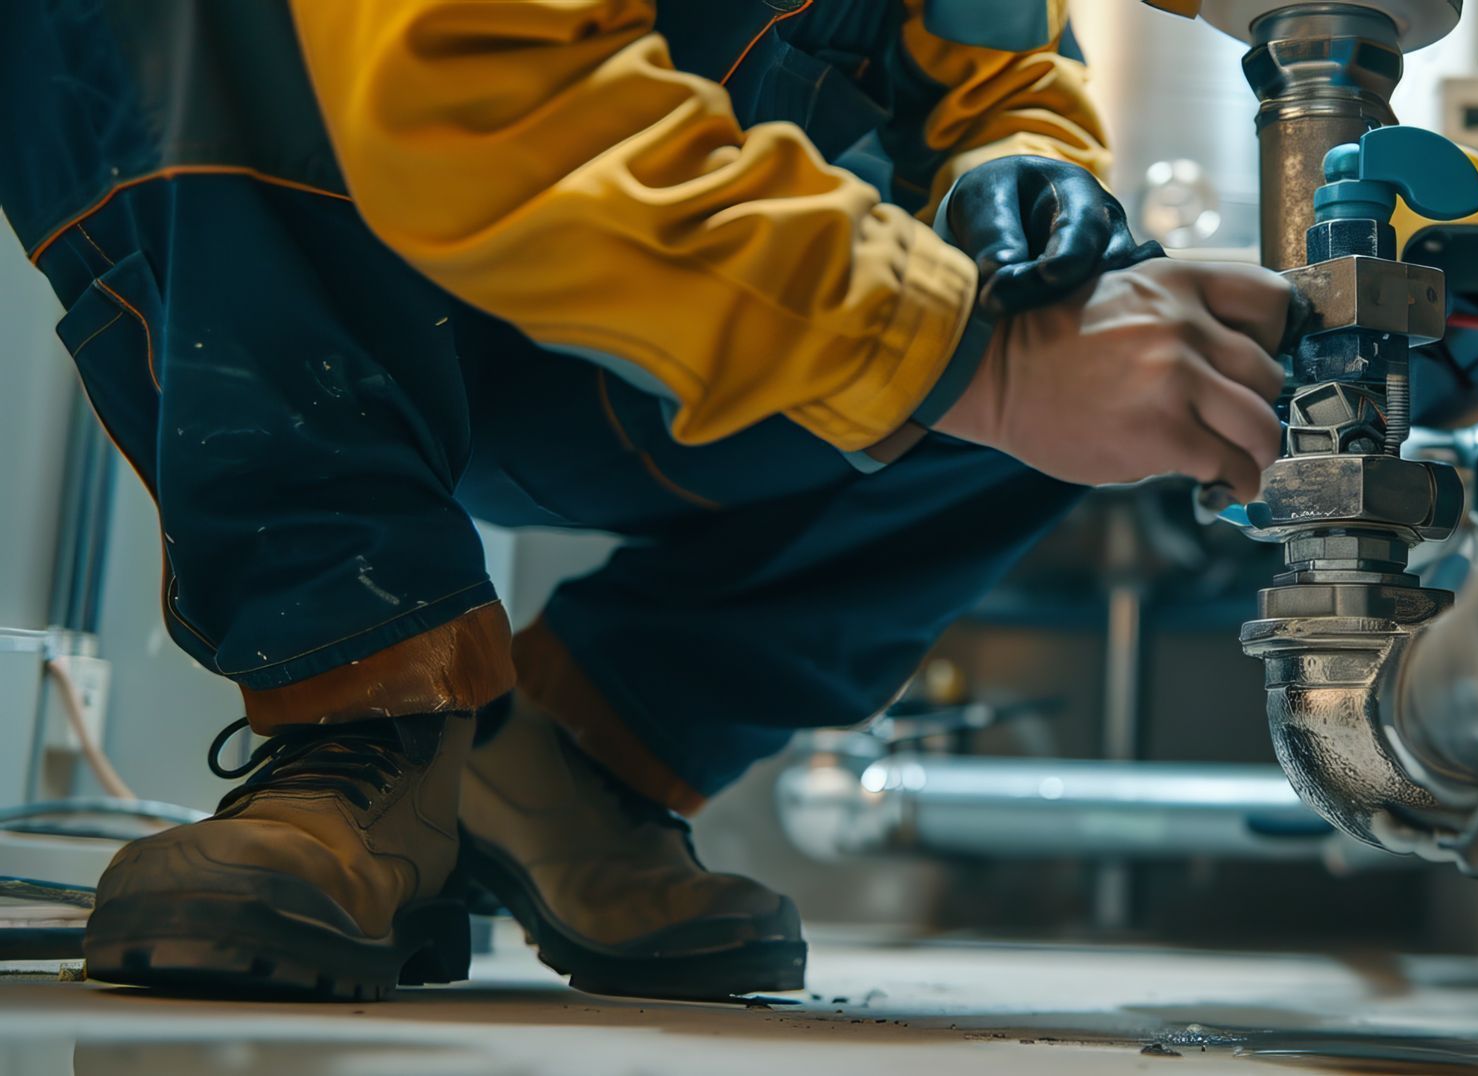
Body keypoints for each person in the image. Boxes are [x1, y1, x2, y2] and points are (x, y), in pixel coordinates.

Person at [0, 0, 1290, 1001]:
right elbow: (480, 105)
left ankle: (567, 762)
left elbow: (996, 53)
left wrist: (1019, 167)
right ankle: (362, 718)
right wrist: (974, 354)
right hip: (351, 271)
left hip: (658, 324)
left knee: (1104, 326)